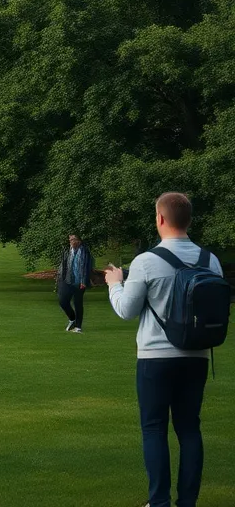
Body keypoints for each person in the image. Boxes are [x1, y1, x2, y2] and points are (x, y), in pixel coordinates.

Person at [105, 193, 225, 507]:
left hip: (156, 357)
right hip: (197, 356)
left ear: (159, 219)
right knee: (189, 428)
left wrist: (115, 283)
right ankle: (188, 502)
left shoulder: (146, 261)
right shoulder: (210, 260)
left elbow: (126, 310)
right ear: (189, 220)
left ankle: (158, 501)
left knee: (154, 428)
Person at [57, 233, 94, 333]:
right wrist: (60, 277)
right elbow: (63, 264)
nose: (71, 242)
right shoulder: (67, 251)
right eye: (70, 240)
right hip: (67, 279)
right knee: (63, 301)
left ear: (79, 241)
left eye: (73, 239)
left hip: (80, 281)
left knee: (78, 303)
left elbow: (87, 267)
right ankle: (72, 319)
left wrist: (84, 280)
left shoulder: (85, 252)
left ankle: (78, 327)